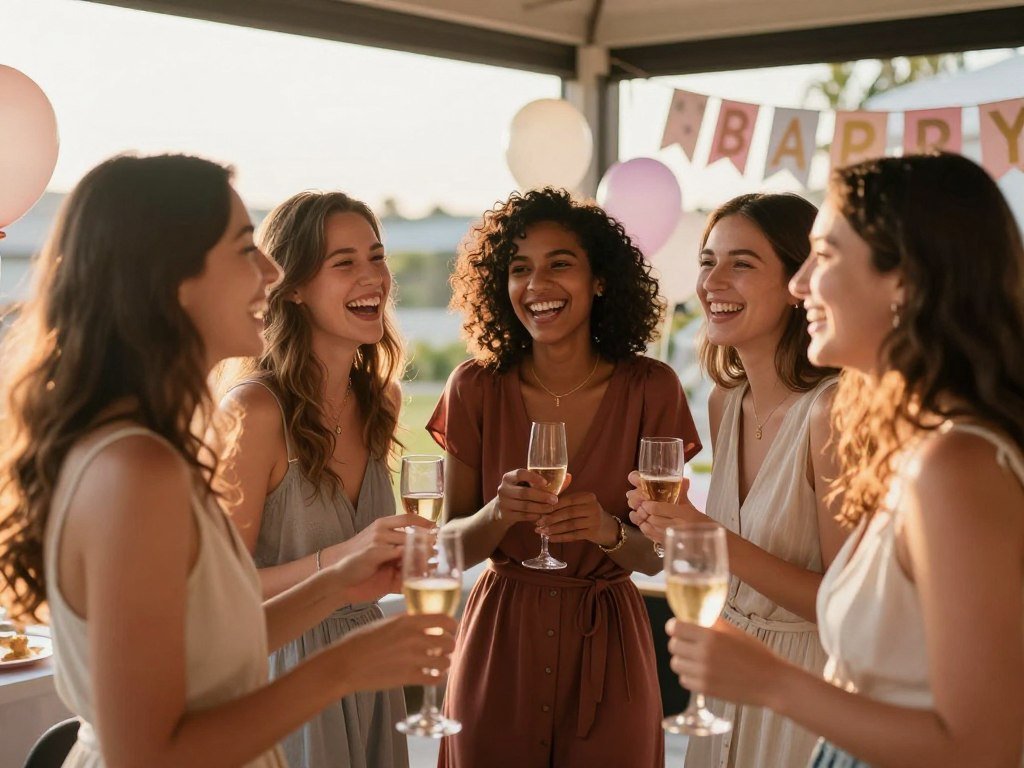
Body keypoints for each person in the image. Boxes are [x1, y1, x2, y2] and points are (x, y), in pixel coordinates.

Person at [0, 155, 455, 767]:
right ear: (170, 279)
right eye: (246, 249)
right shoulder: (136, 470)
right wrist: (342, 668)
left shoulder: (151, 450)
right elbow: (149, 754)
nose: (270, 273)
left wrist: (337, 584)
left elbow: (208, 655)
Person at [667, 153, 1024, 767]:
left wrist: (772, 682)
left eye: (824, 257)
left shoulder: (957, 466)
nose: (800, 283)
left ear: (906, 280)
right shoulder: (919, 448)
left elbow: (986, 747)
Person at [428, 187, 701, 768]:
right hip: (500, 646)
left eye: (560, 264)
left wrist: (607, 531)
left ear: (599, 279)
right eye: (519, 269)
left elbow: (661, 557)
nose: (536, 285)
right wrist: (497, 514)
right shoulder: (474, 388)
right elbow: (446, 551)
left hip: (611, 650)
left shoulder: (652, 389)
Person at [626, 193, 845, 768]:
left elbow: (842, 603)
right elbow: (734, 569)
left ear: (801, 283)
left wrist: (706, 538)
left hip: (804, 686)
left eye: (742, 264)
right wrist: (668, 535)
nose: (712, 282)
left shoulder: (832, 412)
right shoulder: (727, 401)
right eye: (706, 261)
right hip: (725, 675)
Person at [219, 190, 428, 768]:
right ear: (293, 288)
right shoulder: (255, 413)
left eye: (377, 256)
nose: (373, 277)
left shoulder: (380, 399)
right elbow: (222, 592)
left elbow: (370, 572)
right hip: (283, 677)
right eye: (344, 263)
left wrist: (391, 564)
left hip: (369, 667)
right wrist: (343, 562)